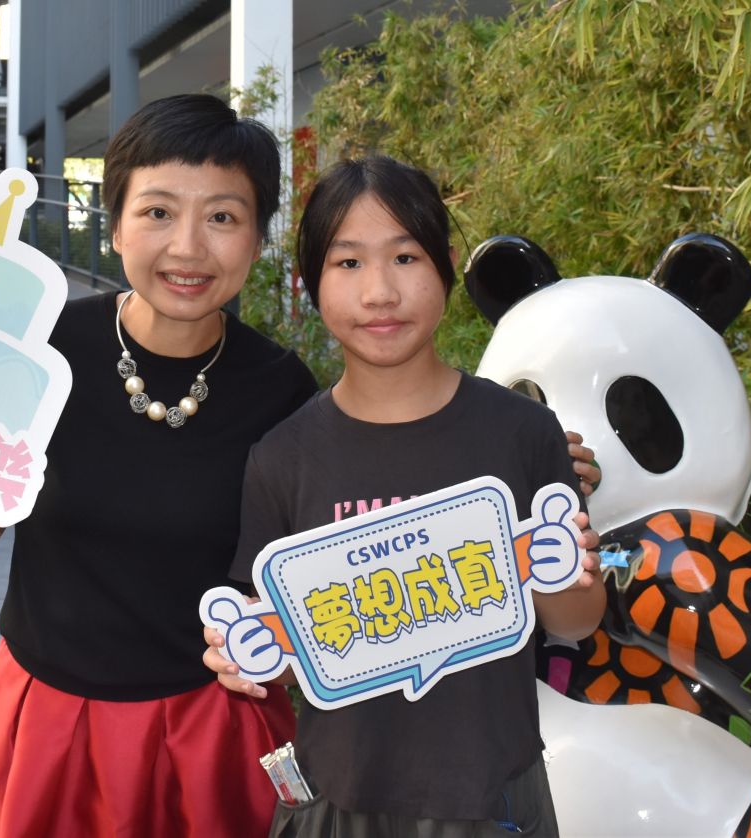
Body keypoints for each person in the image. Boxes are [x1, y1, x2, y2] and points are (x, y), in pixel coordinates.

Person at [0, 95, 600, 837]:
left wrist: (530, 487)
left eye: (222, 217)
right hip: (50, 715)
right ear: (115, 226)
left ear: (257, 241)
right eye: (158, 212)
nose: (188, 247)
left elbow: (351, 512)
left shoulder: (282, 392)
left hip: (212, 724)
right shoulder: (43, 353)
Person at [204, 156, 606, 837]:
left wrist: (563, 569)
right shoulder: (282, 458)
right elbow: (275, 647)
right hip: (338, 797)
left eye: (405, 257)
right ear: (312, 282)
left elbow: (577, 623)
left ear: (445, 266)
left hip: (490, 797)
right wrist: (241, 651)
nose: (380, 292)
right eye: (348, 263)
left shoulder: (520, 433)